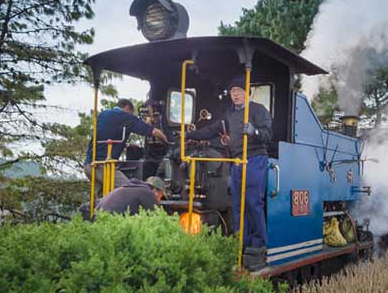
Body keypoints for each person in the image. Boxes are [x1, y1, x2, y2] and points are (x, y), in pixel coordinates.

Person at [187, 76, 272, 262]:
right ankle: (242, 240)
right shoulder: (228, 115)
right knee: (238, 203)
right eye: (233, 92)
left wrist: (254, 131)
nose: (236, 95)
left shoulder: (258, 110)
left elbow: (267, 135)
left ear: (246, 93)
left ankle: (259, 244)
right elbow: (211, 129)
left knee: (253, 202)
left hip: (255, 159)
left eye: (239, 91)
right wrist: (190, 134)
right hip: (236, 161)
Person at [84, 98, 168, 193]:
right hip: (104, 167)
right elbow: (154, 132)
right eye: (132, 113)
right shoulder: (125, 117)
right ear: (127, 108)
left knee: (102, 201)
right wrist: (167, 142)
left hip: (89, 165)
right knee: (130, 192)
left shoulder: (103, 114)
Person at [95, 176, 166, 216]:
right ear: (155, 191)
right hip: (110, 221)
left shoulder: (128, 188)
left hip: (98, 217)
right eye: (160, 196)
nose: (159, 200)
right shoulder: (148, 193)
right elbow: (156, 219)